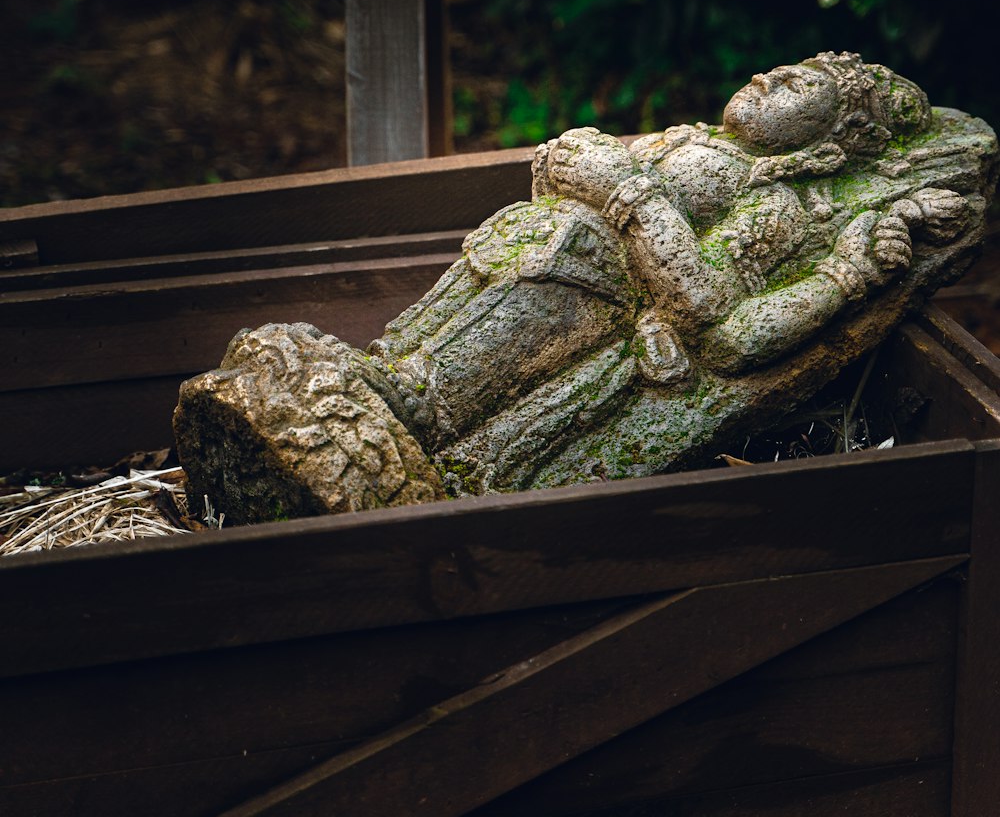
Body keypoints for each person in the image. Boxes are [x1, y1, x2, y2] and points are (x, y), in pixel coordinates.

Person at [368, 52, 993, 493]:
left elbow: (725, 333)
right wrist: (618, 185)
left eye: (794, 83)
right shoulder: (692, 141)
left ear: (836, 136)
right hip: (508, 271)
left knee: (410, 415)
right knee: (389, 383)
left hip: (573, 301)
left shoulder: (784, 209)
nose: (764, 76)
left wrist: (631, 202)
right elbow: (559, 159)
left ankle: (408, 423)